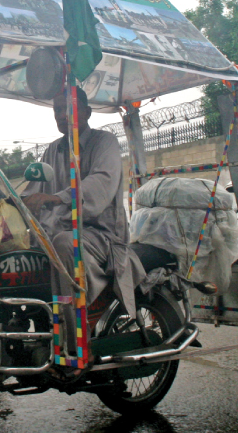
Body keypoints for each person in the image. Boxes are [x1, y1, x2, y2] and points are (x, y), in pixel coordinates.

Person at [22, 87, 148, 358]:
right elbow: (32, 192)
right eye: (57, 109)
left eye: (69, 108)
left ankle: (73, 340)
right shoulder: (52, 151)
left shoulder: (104, 143)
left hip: (102, 236)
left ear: (87, 112)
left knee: (65, 243)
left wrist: (57, 198)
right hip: (59, 232)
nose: (62, 115)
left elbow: (100, 183)